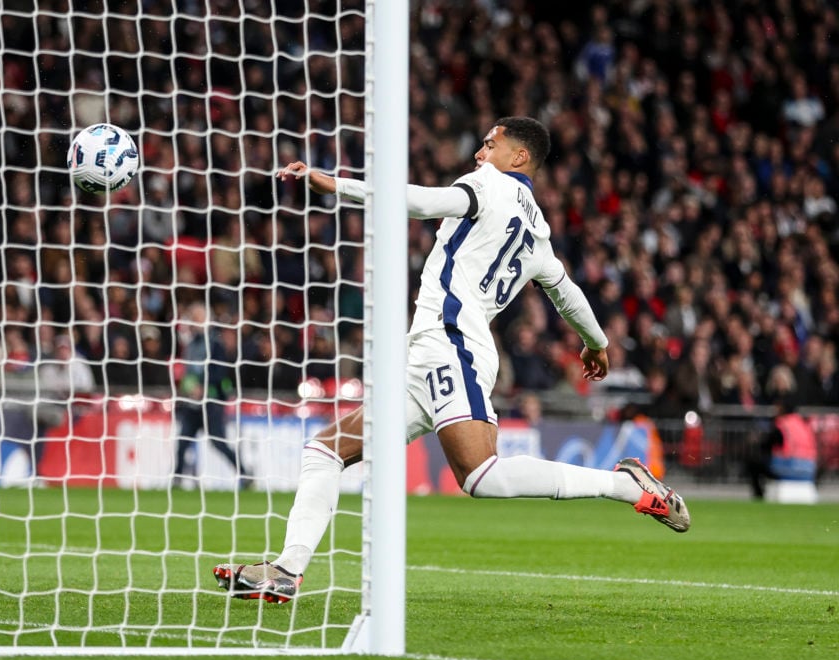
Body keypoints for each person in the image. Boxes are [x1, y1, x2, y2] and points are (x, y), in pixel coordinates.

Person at [213, 117, 690, 603]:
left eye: (490, 144)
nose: (480, 153)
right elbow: (567, 294)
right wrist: (597, 342)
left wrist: (336, 183)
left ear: (518, 157)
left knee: (481, 476)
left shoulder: (489, 184)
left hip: (453, 343)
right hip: (426, 352)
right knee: (325, 451)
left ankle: (624, 484)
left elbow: (420, 201)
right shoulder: (538, 233)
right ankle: (287, 570)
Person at [173, 302, 250, 487]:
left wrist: (202, 386)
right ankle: (176, 480)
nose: (196, 322)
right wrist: (188, 387)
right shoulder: (191, 345)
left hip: (211, 403)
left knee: (219, 443)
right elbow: (188, 372)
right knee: (182, 442)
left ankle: (245, 474)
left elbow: (220, 373)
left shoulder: (215, 345)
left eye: (199, 318)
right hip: (192, 404)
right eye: (194, 318)